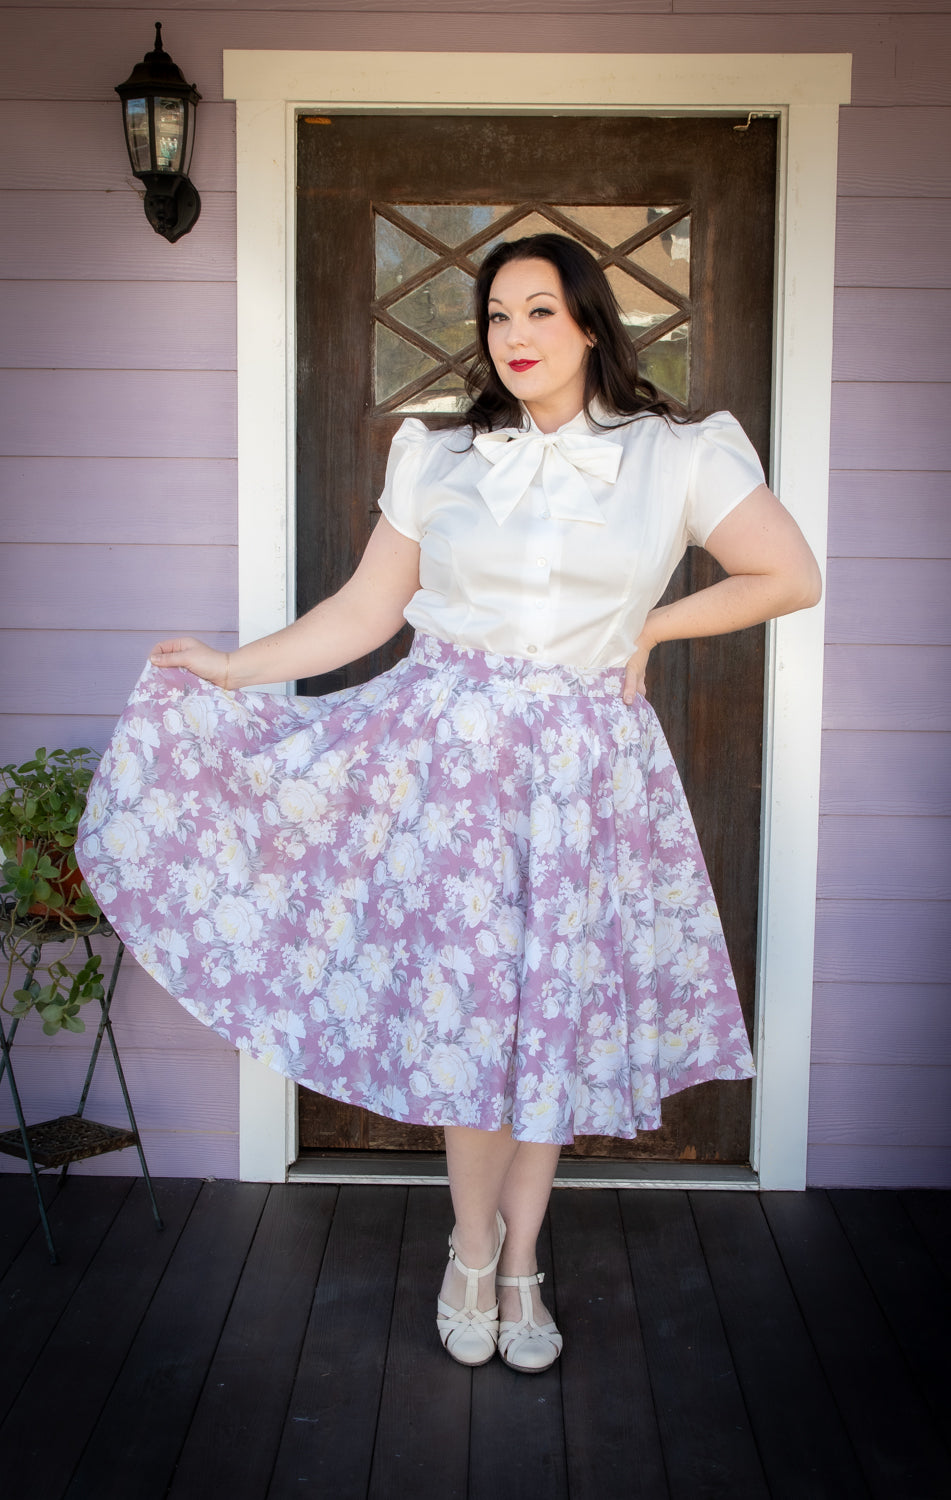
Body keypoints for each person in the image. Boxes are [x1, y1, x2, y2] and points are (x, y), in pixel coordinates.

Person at [77, 233, 821, 1375]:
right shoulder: (442, 458)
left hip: (581, 782)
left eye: (539, 312)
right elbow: (367, 611)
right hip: (449, 773)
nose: (515, 337)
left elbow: (790, 574)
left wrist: (654, 628)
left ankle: (524, 1261)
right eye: (496, 317)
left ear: (588, 325)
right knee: (474, 1023)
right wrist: (233, 668)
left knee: (547, 1027)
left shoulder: (676, 454)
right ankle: (470, 1252)